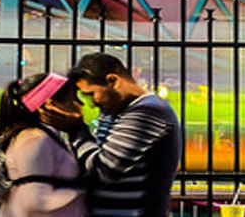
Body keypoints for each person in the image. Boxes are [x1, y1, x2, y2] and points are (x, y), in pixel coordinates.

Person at [42, 52, 183, 217]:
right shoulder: (114, 112)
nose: (92, 103)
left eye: (91, 94)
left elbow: (104, 171)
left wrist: (76, 129)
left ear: (113, 81)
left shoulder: (148, 112)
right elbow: (91, 161)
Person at [0, 72, 86, 217]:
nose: (80, 104)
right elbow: (35, 199)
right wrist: (82, 191)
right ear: (51, 105)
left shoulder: (48, 137)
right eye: (73, 99)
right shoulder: (36, 140)